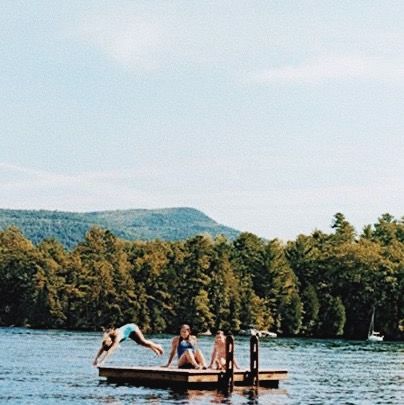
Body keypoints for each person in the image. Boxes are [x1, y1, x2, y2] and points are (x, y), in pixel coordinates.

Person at [93, 323, 164, 366]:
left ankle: (158, 346)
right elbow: (102, 349)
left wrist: (102, 361)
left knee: (143, 341)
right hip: (128, 333)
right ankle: (154, 348)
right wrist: (96, 359)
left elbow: (110, 351)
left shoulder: (117, 338)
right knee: (140, 343)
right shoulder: (107, 339)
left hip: (132, 328)